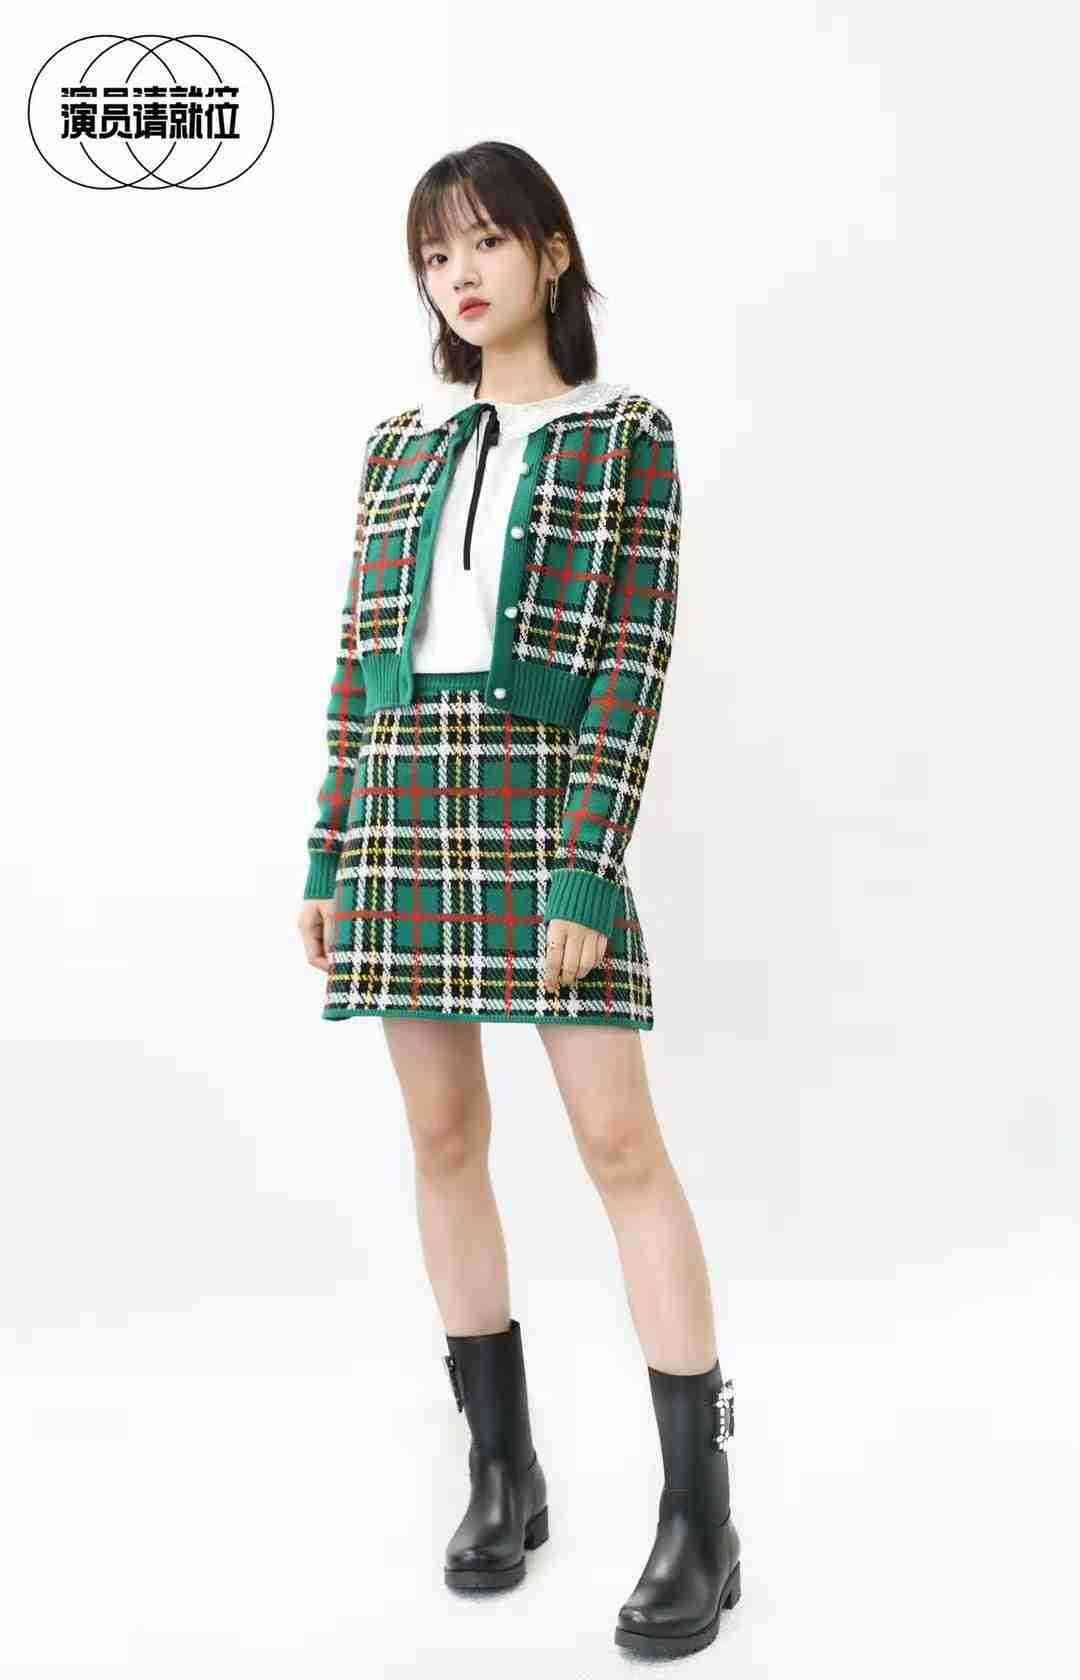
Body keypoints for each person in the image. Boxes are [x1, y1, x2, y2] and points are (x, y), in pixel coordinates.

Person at [296, 140, 740, 1658]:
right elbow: (357, 662)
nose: (460, 274)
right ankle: (503, 1471)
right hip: (402, 820)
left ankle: (700, 1519)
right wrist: (327, 849)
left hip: (543, 820)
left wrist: (588, 865)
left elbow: (632, 667)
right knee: (442, 1139)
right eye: (435, 254)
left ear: (553, 253)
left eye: (486, 241)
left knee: (619, 1147)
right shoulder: (398, 446)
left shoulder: (626, 437)